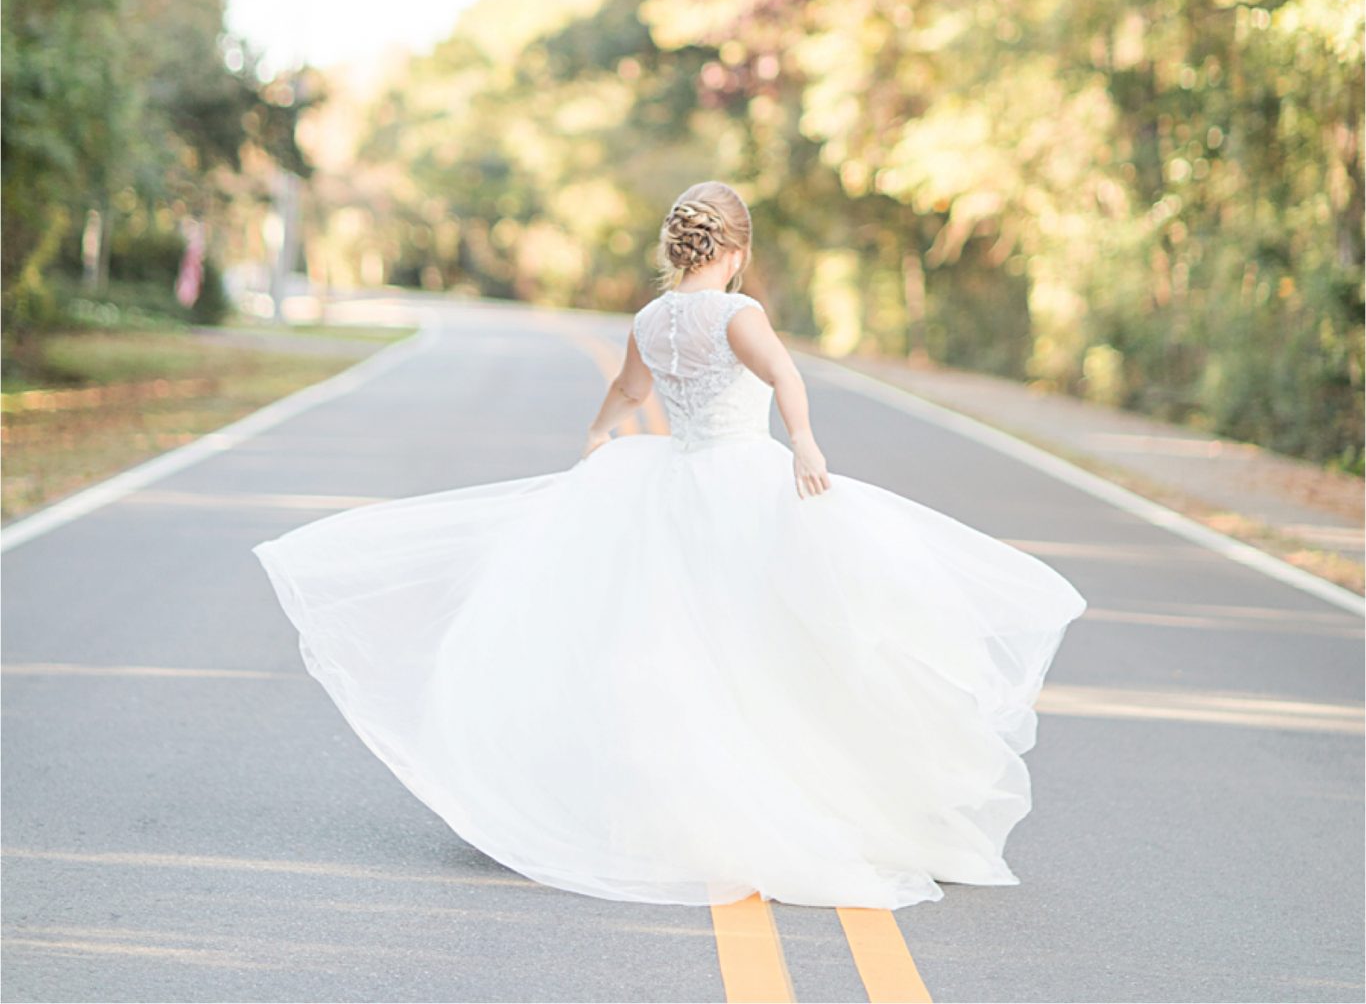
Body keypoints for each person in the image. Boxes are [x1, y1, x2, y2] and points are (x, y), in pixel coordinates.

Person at [252, 181, 1087, 910]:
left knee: (674, 643)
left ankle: (676, 805)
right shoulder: (739, 312)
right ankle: (770, 801)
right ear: (736, 249)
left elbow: (630, 387)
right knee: (773, 637)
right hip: (740, 481)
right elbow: (786, 378)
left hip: (671, 479)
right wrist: (804, 442)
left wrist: (598, 433)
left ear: (683, 247)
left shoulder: (654, 316)